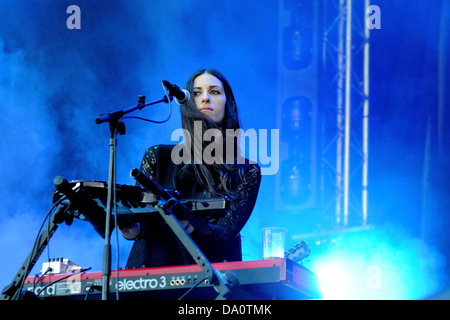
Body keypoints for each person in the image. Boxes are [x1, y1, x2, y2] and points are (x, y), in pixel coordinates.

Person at [118, 68, 261, 269]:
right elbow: (141, 226)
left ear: (230, 104)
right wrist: (129, 226)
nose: (204, 99)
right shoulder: (157, 157)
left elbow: (225, 233)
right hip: (149, 275)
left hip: (209, 281)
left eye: (214, 92)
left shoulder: (246, 170)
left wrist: (188, 223)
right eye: (196, 93)